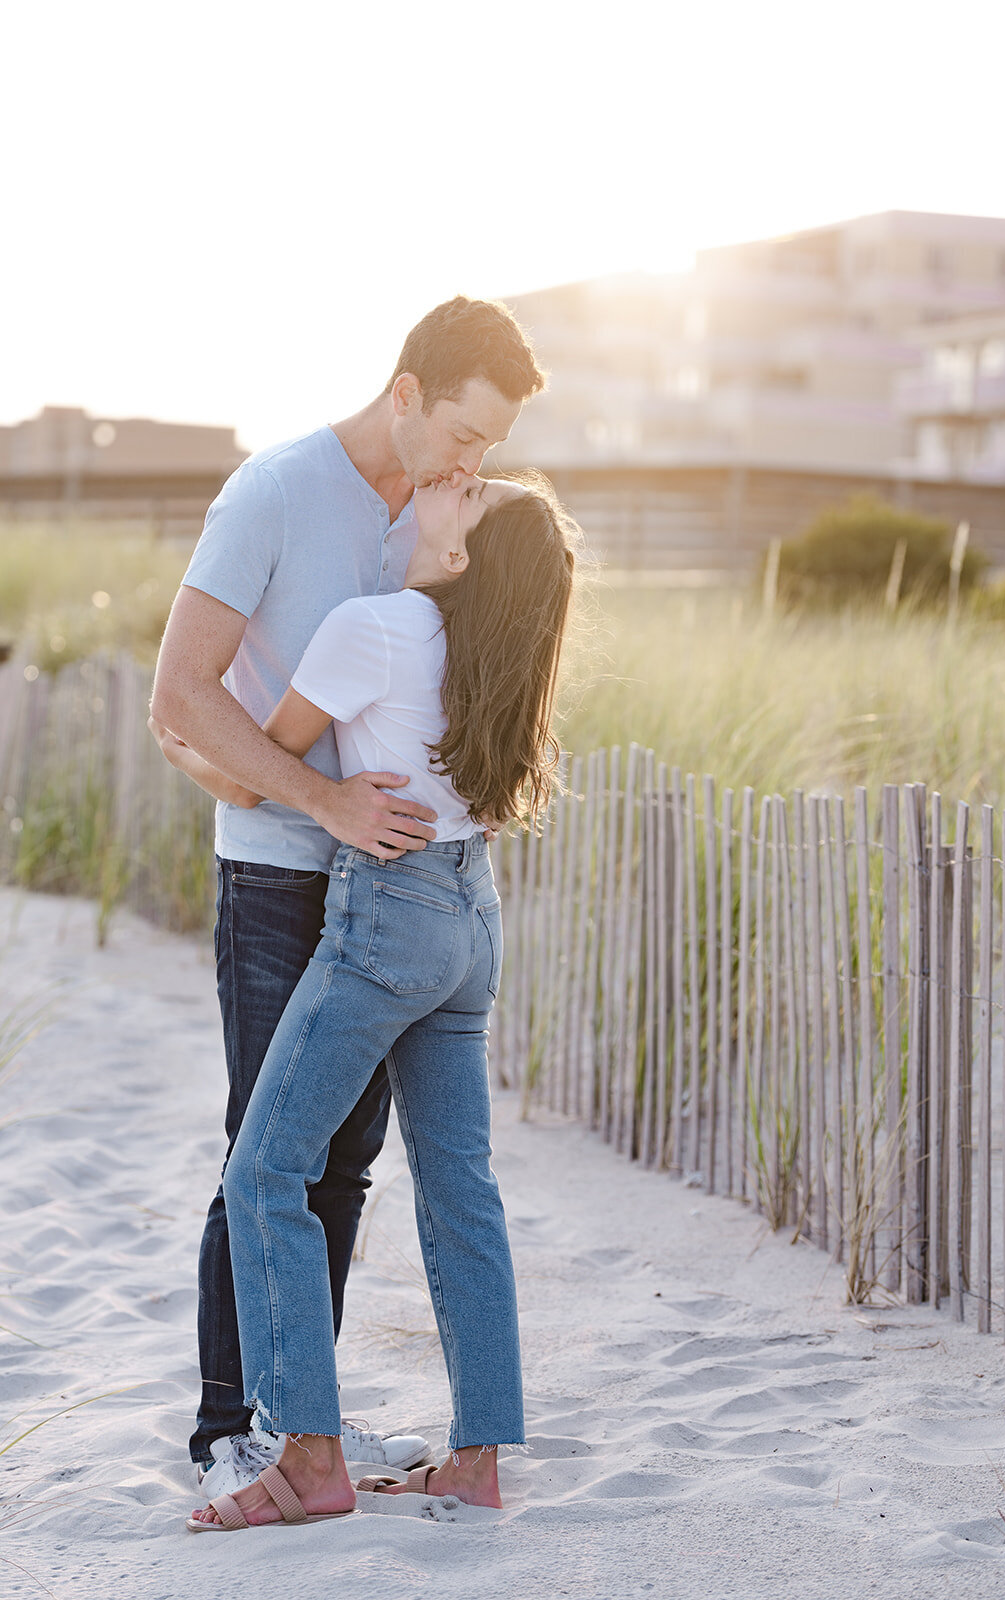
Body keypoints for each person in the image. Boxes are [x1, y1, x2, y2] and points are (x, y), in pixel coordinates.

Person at [149, 297, 546, 1491]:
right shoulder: (274, 493)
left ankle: (300, 1409)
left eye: (491, 451)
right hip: (283, 875)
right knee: (260, 1146)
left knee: (344, 1161)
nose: (474, 467)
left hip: (397, 895)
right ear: (407, 392)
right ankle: (236, 1424)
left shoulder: (440, 522)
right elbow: (183, 690)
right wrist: (321, 805)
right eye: (466, 436)